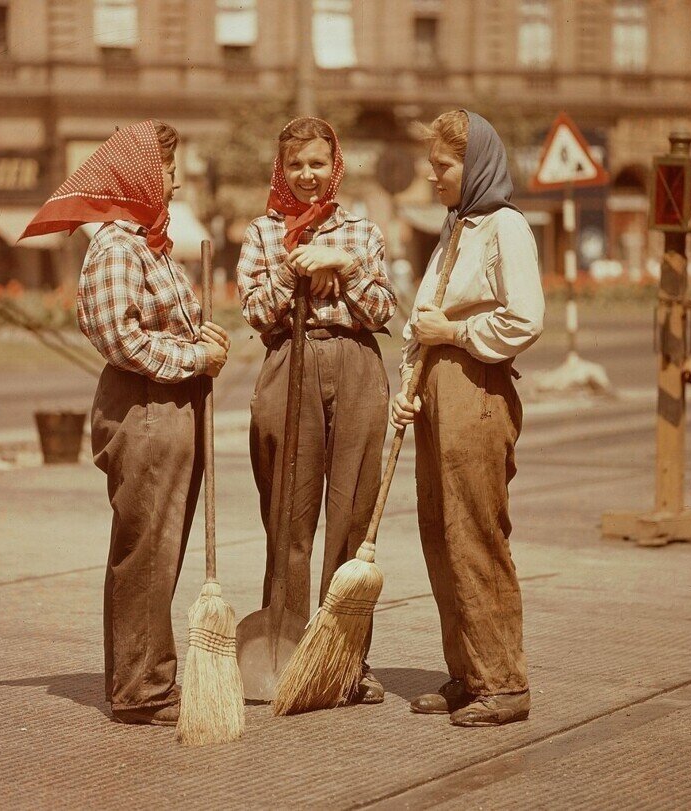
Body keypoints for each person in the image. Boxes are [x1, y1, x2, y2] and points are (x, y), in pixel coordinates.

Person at [22, 120, 231, 726]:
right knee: (147, 550)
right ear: (142, 174)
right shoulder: (117, 246)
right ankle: (142, 688)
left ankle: (145, 676)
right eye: (167, 170)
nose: (174, 181)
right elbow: (121, 338)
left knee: (161, 549)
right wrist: (194, 357)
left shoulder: (152, 243)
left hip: (170, 404)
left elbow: (165, 325)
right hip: (143, 409)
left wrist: (204, 337)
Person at [391, 110, 545, 727]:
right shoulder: (457, 227)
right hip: (438, 388)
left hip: (477, 386)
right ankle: (468, 672)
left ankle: (503, 683)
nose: (433, 177)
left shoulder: (506, 226)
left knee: (475, 533)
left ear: (473, 163)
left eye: (443, 166)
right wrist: (407, 387)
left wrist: (454, 332)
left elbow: (525, 319)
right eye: (432, 165)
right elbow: (422, 318)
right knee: (439, 532)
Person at [237, 117, 397, 703]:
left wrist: (344, 267)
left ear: (336, 167)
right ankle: (285, 649)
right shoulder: (261, 231)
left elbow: (382, 310)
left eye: (318, 164)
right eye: (296, 165)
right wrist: (293, 266)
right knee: (288, 518)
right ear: (282, 169)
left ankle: (345, 660)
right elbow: (255, 311)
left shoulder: (362, 230)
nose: (308, 176)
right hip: (290, 363)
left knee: (352, 521)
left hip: (357, 364)